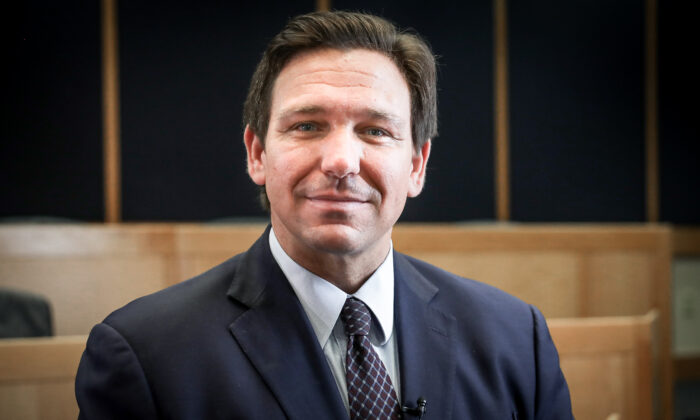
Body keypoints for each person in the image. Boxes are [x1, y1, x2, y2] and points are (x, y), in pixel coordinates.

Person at [75, 11, 573, 419]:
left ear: (417, 165)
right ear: (257, 154)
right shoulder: (143, 355)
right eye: (308, 125)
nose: (340, 161)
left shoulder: (516, 339)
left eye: (376, 131)